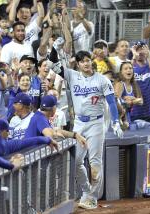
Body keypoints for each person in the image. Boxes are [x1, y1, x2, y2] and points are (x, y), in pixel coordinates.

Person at [49, 50, 123, 209]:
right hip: (79, 124)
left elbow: (111, 102)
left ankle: (92, 197)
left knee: (95, 162)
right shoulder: (71, 75)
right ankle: (87, 190)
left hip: (96, 124)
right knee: (76, 161)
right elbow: (53, 64)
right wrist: (55, 48)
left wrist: (116, 121)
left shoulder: (102, 80)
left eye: (88, 60)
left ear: (92, 61)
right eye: (82, 61)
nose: (86, 63)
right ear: (78, 64)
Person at [131, 42, 150, 124]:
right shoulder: (130, 65)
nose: (140, 52)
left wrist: (149, 57)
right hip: (133, 111)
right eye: (137, 50)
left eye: (142, 49)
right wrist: (134, 57)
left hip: (149, 111)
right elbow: (125, 75)